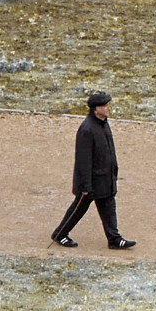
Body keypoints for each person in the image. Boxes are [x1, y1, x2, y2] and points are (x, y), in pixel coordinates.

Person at [52, 93, 135, 250]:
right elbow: (83, 160)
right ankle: (60, 234)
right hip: (91, 181)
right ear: (96, 109)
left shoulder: (103, 124)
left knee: (108, 207)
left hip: (105, 178)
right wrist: (85, 185)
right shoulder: (87, 129)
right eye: (104, 106)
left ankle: (114, 238)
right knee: (79, 209)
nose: (108, 108)